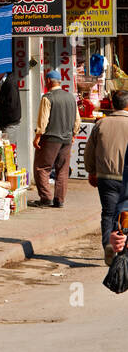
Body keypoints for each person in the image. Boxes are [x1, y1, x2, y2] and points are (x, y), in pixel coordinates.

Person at [86, 89, 128, 240]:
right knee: (126, 214)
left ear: (112, 105)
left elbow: (90, 150)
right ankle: (123, 249)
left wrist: (91, 171)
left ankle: (109, 248)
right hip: (125, 178)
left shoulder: (101, 123)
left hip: (106, 177)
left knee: (108, 214)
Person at [32, 70, 78, 207]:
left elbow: (43, 120)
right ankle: (59, 200)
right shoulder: (70, 97)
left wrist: (38, 136)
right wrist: (74, 134)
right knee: (62, 169)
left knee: (42, 168)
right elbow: (77, 119)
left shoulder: (48, 97)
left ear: (47, 81)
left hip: (51, 138)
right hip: (67, 139)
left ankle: (46, 198)